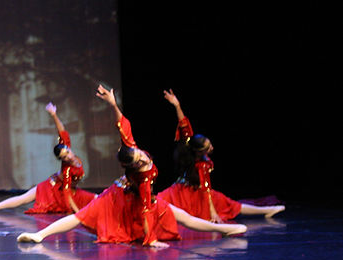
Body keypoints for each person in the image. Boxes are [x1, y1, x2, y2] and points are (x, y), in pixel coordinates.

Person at [17, 86, 246, 248]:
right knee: (81, 217)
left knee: (184, 217)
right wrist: (151, 239)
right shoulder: (142, 179)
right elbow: (146, 209)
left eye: (139, 153)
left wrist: (113, 104)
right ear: (134, 165)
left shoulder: (133, 150)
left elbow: (123, 126)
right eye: (139, 159)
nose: (143, 157)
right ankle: (40, 235)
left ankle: (226, 229)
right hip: (116, 197)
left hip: (129, 194)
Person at [156, 90, 284, 221]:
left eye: (210, 144)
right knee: (158, 204)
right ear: (199, 151)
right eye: (208, 148)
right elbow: (206, 190)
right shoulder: (201, 164)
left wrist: (177, 106)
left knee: (231, 204)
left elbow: (184, 125)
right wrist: (212, 213)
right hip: (185, 194)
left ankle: (267, 210)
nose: (212, 148)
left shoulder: (195, 149)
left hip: (195, 192)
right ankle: (266, 210)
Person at [0, 102, 96, 214]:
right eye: (65, 157)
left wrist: (54, 115)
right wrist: (77, 212)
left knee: (96, 198)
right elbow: (66, 193)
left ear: (69, 148)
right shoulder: (67, 170)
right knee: (24, 198)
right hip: (51, 188)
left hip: (71, 191)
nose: (69, 157)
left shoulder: (66, 147)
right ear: (62, 160)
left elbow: (62, 130)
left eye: (68, 153)